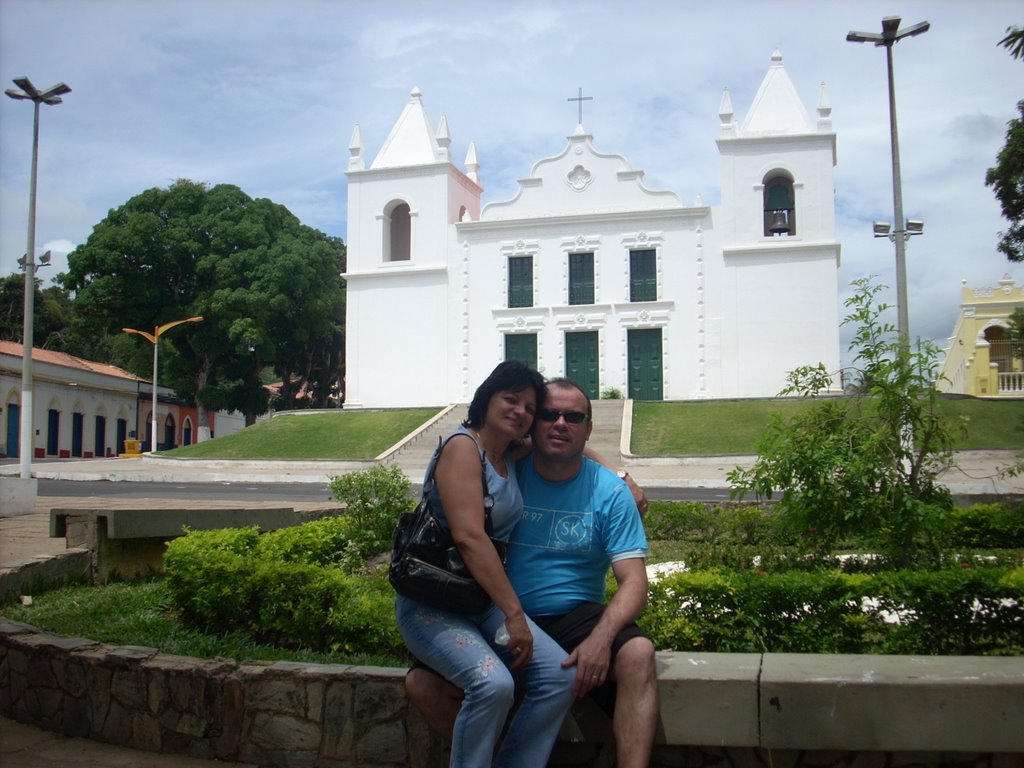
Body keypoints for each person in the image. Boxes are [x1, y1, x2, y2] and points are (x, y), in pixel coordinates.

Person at [406, 377, 659, 768]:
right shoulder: (506, 467)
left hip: (574, 615)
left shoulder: (610, 493)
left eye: (573, 417)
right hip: (500, 610)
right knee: (422, 685)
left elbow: (634, 582)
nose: (560, 424)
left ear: (587, 428)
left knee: (638, 653)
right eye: (548, 414)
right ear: (531, 425)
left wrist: (601, 639)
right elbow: (468, 530)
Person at [394, 361, 576, 768]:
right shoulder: (463, 447)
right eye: (510, 399)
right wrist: (514, 614)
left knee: (558, 678)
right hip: (431, 603)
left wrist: (621, 475)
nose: (521, 412)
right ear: (486, 399)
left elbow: (566, 445)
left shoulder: (508, 454)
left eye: (530, 407)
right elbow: (469, 537)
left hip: (477, 601)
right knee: (492, 685)